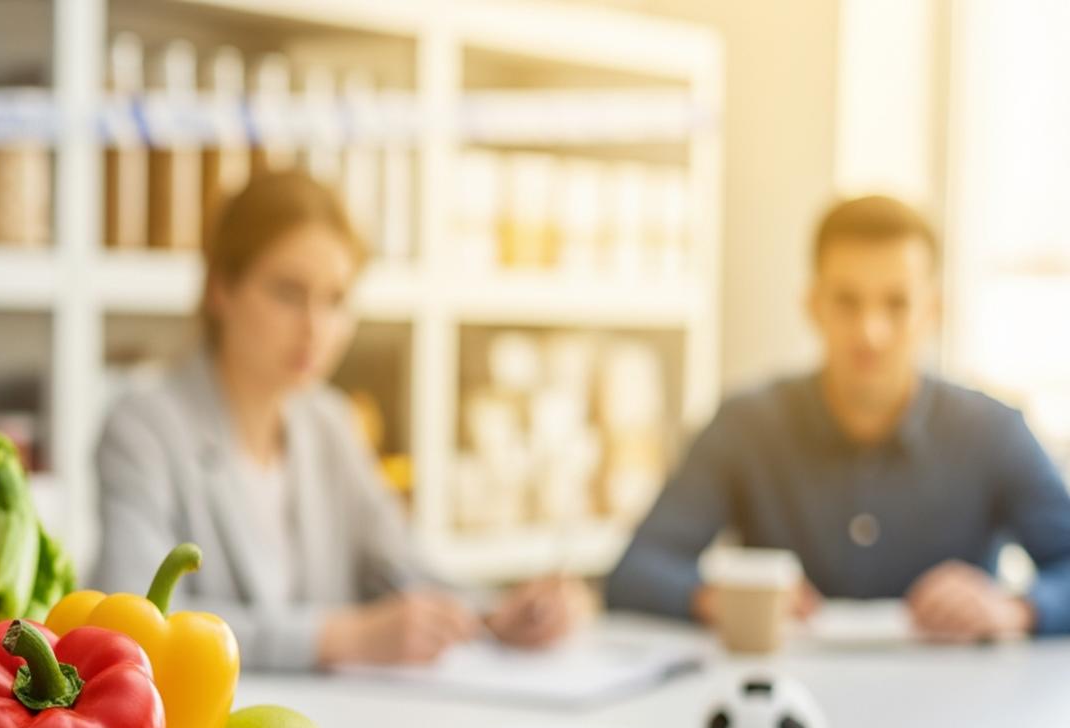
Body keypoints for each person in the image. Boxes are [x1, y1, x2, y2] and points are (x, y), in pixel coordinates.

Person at [93, 171, 592, 671]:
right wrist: (341, 638)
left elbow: (401, 567)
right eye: (288, 293)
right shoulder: (143, 427)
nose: (315, 328)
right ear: (221, 288)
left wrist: (497, 614)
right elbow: (135, 621)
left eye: (335, 301)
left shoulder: (329, 423)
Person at [606, 195, 1070, 639]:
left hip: (961, 708)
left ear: (933, 310)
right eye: (847, 301)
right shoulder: (745, 425)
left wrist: (1017, 609)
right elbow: (635, 570)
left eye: (897, 304)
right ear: (813, 304)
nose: (871, 332)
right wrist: (712, 599)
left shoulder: (993, 431)